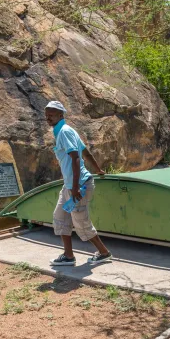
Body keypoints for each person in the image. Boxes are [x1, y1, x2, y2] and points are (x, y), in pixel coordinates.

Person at [44, 101, 113, 266]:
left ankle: (104, 253)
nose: (48, 117)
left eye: (51, 114)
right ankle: (68, 256)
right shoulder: (64, 131)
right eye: (46, 115)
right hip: (69, 186)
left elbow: (76, 158)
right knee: (60, 218)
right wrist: (98, 169)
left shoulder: (65, 132)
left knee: (82, 223)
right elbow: (85, 152)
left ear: (61, 114)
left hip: (78, 186)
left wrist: (75, 188)